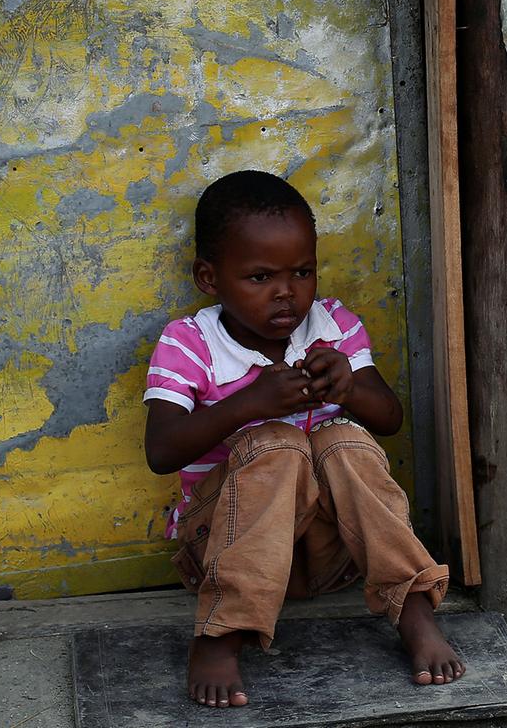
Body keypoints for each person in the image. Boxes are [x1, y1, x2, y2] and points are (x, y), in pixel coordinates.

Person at [142, 170, 464, 708]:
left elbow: (389, 418)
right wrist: (248, 405)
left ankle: (413, 610)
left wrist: (350, 387)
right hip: (222, 550)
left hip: (329, 556)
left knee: (343, 438)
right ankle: (221, 633)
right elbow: (161, 450)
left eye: (302, 271)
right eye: (260, 276)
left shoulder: (332, 325)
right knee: (277, 444)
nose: (286, 293)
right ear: (209, 277)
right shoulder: (190, 343)